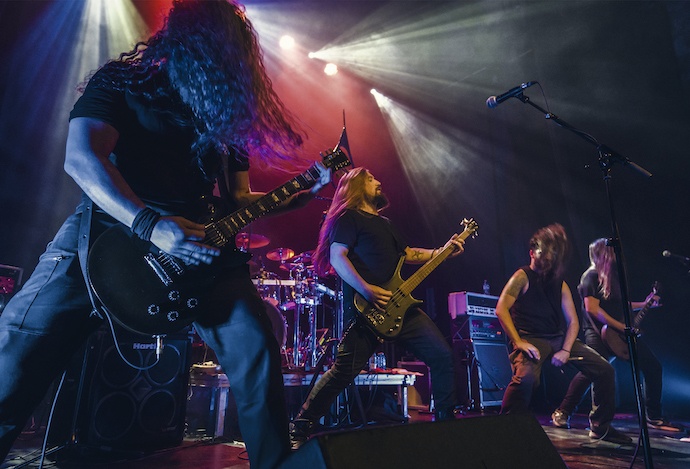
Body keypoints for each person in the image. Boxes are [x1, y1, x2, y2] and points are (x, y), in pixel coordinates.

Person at [0, 1, 331, 468]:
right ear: (191, 40)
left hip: (198, 246)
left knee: (256, 349)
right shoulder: (123, 80)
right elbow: (81, 158)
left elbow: (238, 198)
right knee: (17, 353)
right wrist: (149, 225)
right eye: (225, 47)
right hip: (107, 233)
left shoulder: (223, 110)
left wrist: (298, 195)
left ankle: (275, 463)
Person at [289, 167, 465, 448]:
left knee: (442, 355)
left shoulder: (386, 224)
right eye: (371, 179)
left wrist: (441, 252)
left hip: (400, 306)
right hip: (365, 310)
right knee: (343, 372)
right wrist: (367, 289)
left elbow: (408, 254)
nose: (379, 181)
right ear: (356, 186)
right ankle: (300, 425)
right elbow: (337, 256)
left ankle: (447, 426)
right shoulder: (348, 218)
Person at [495, 224, 632, 444]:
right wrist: (518, 342)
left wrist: (566, 349)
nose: (547, 259)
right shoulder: (522, 276)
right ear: (532, 253)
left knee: (604, 369)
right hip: (531, 338)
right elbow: (501, 309)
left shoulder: (559, 283)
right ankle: (505, 429)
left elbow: (573, 321)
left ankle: (600, 426)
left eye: (551, 255)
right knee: (526, 379)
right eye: (543, 254)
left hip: (557, 338)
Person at [553, 238, 684, 432]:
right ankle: (564, 411)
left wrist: (646, 304)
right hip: (597, 332)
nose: (616, 255)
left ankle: (654, 417)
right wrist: (621, 327)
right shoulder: (590, 276)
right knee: (591, 372)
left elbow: (621, 305)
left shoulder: (612, 277)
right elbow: (592, 309)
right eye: (612, 252)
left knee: (653, 366)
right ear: (603, 253)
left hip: (618, 333)